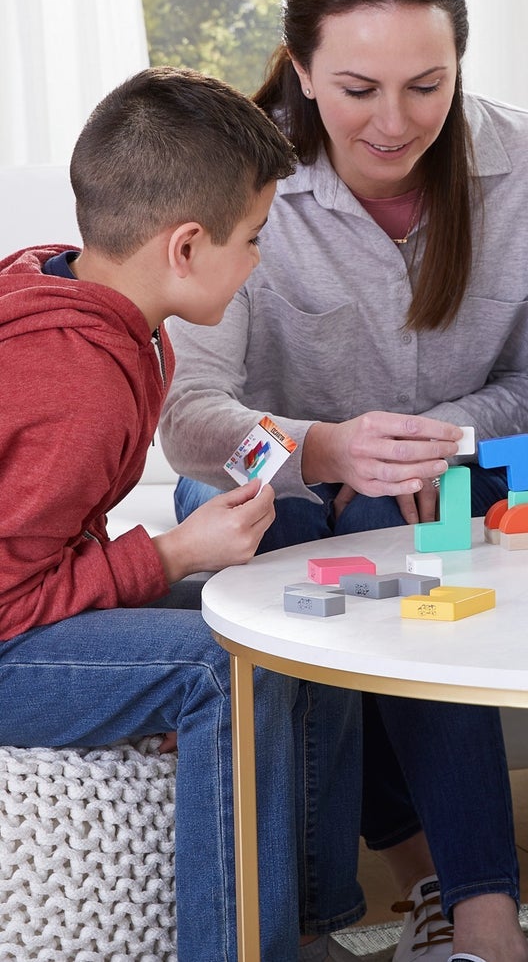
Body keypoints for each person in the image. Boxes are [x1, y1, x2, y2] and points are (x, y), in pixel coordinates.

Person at [161, 0, 528, 962]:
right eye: (356, 90)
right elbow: (188, 418)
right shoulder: (234, 183)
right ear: (301, 68)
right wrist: (324, 450)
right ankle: (316, 916)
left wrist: (440, 441)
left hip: (461, 470)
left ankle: (483, 922)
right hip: (275, 488)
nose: (394, 122)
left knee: (424, 540)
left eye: (425, 85)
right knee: (308, 544)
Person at [0, 67, 364, 962]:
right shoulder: (78, 379)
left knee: (304, 625)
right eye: (253, 238)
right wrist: (168, 554)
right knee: (225, 667)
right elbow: (9, 602)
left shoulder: (84, 299)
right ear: (187, 246)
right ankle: (245, 948)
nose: (258, 262)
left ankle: (304, 918)